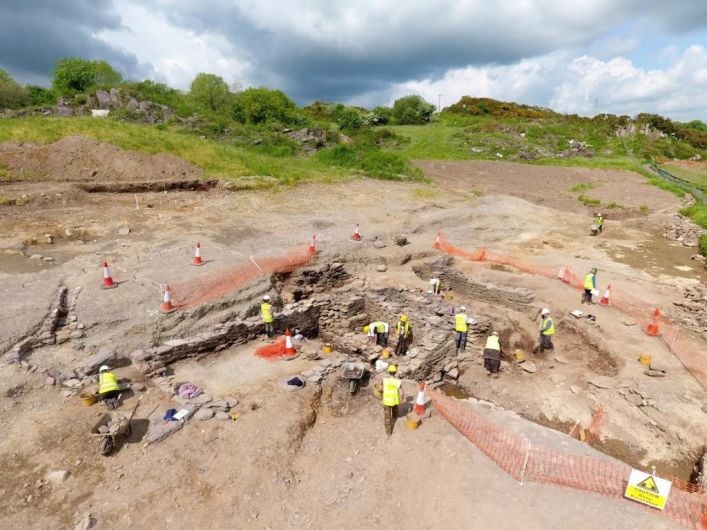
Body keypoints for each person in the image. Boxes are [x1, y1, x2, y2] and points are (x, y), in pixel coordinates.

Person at [382, 364, 403, 435]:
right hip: (394, 399)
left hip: (386, 401)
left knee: (387, 417)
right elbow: (401, 391)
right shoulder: (398, 381)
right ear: (395, 372)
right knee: (395, 408)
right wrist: (402, 398)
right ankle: (395, 416)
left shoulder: (384, 380)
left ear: (388, 372)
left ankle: (388, 432)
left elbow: (382, 388)